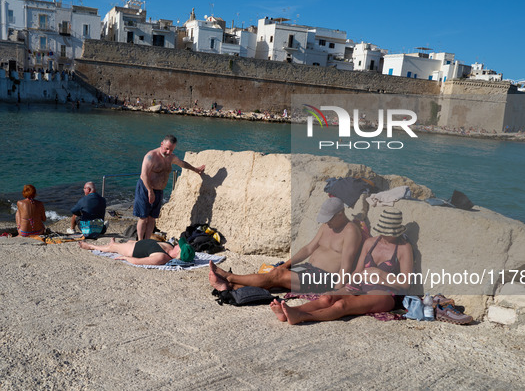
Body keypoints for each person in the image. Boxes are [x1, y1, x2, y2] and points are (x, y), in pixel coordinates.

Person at [270, 209, 414, 325]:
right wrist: (350, 284)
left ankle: (303, 316)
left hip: (384, 293)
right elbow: (357, 270)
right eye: (383, 231)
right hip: (361, 285)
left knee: (342, 305)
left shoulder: (403, 248)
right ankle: (289, 311)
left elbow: (405, 284)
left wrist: (379, 274)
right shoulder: (371, 243)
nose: (384, 236)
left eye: (389, 233)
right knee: (327, 298)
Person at [209, 197, 362, 293]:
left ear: (341, 214)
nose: (327, 222)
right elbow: (308, 248)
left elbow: (346, 265)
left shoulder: (351, 231)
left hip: (324, 279)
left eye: (330, 218)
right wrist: (286, 265)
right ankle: (228, 287)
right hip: (308, 270)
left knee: (276, 276)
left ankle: (228, 277)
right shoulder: (327, 226)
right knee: (273, 276)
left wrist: (336, 291)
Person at [134, 135, 205, 240]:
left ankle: (147, 240)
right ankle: (140, 241)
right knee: (143, 218)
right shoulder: (151, 156)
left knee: (152, 218)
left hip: (158, 191)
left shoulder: (171, 157)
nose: (168, 152)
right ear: (161, 144)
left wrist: (195, 169)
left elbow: (182, 164)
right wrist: (150, 191)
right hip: (145, 188)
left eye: (171, 150)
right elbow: (143, 175)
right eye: (166, 149)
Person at [78, 237, 195, 266]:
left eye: (179, 246)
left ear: (178, 253)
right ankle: (115, 243)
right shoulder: (170, 247)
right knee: (128, 241)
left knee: (111, 247)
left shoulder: (162, 257)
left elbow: (138, 261)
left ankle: (90, 246)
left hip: (131, 250)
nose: (177, 244)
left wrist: (125, 258)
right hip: (137, 243)